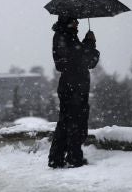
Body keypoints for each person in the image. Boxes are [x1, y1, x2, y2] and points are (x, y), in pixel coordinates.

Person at [48, 16, 100, 168]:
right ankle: (73, 157)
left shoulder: (65, 35)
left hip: (72, 85)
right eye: (75, 20)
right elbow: (83, 60)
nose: (78, 23)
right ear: (68, 21)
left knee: (66, 122)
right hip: (75, 86)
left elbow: (77, 57)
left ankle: (57, 158)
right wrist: (90, 43)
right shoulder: (66, 36)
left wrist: (87, 44)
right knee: (76, 122)